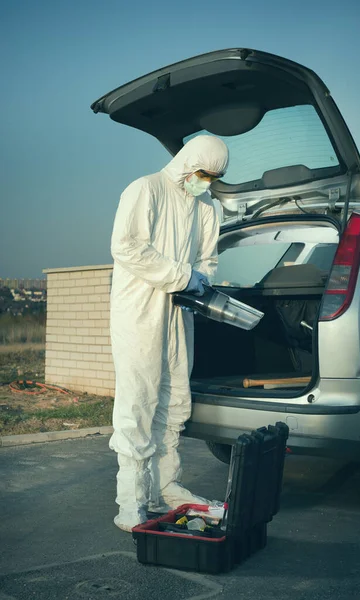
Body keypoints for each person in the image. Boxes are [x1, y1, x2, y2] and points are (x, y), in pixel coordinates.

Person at [109, 135, 229, 532]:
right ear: (185, 163)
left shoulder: (206, 208)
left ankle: (167, 486)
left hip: (178, 312)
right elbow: (126, 247)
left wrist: (201, 281)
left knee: (175, 398)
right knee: (138, 400)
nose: (205, 181)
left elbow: (207, 260)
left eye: (213, 177)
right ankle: (131, 501)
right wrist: (182, 276)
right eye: (202, 173)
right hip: (140, 310)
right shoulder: (145, 189)